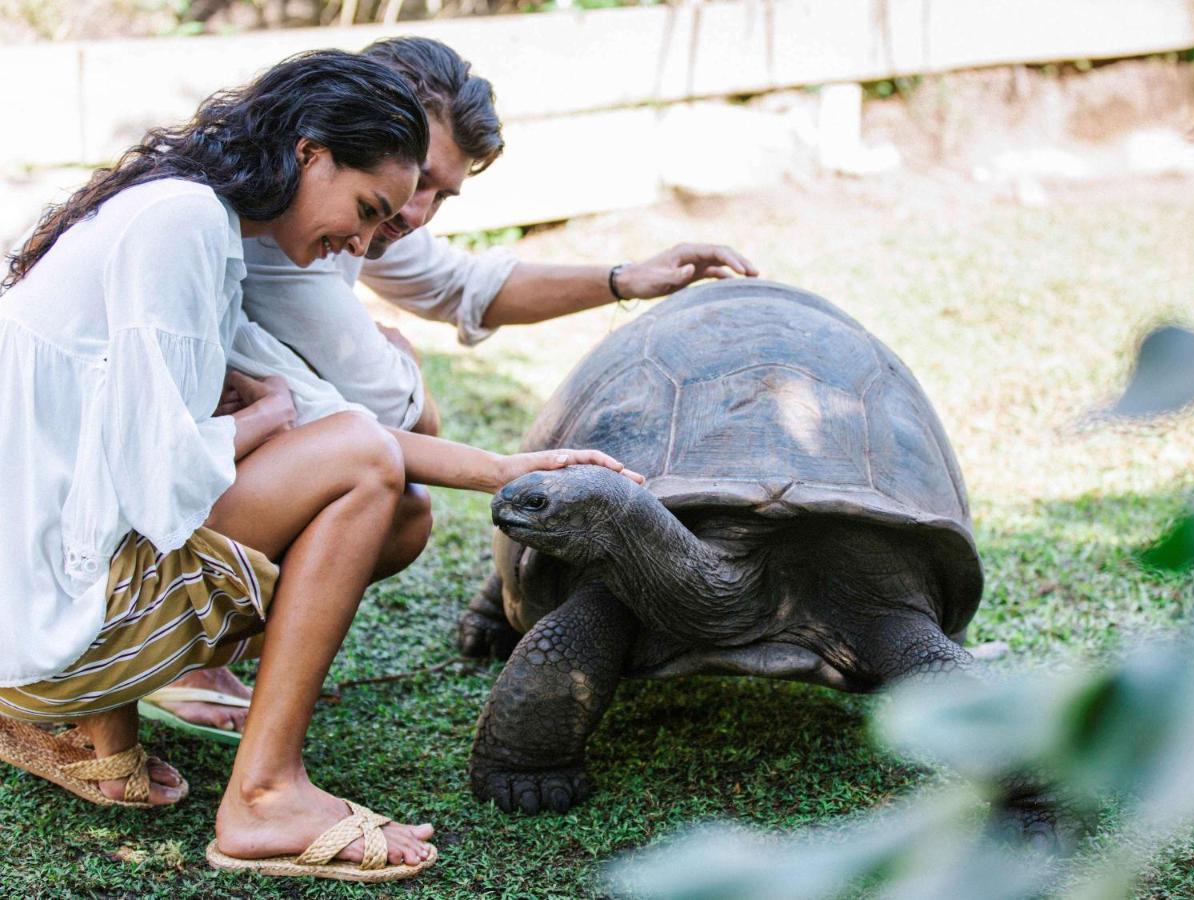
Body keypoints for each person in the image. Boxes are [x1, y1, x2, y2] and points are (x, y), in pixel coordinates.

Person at [0, 49, 639, 884]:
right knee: (364, 465)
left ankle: (102, 724)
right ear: (309, 152)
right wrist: (261, 418)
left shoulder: (192, 220)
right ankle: (262, 794)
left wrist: (507, 469)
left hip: (39, 603)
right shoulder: (182, 223)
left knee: (372, 468)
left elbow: (315, 417)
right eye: (370, 210)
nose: (367, 242)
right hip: (46, 622)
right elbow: (158, 470)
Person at [151, 35, 758, 737]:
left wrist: (625, 279)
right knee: (385, 487)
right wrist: (412, 376)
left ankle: (195, 653)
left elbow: (456, 283)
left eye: (441, 193)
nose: (418, 214)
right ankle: (174, 659)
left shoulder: (352, 207)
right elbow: (391, 414)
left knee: (396, 495)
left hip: (202, 461)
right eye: (419, 182)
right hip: (145, 493)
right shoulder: (269, 233)